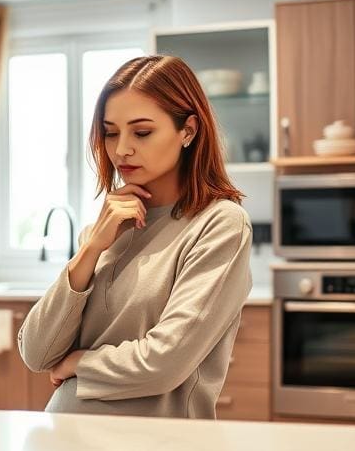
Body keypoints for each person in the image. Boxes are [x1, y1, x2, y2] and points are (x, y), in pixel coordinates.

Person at [17, 55, 252, 419]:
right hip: (63, 446)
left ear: (188, 131)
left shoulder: (220, 225)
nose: (121, 149)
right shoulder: (105, 230)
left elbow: (166, 363)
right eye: (111, 132)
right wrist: (93, 247)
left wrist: (81, 363)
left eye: (141, 132)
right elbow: (36, 353)